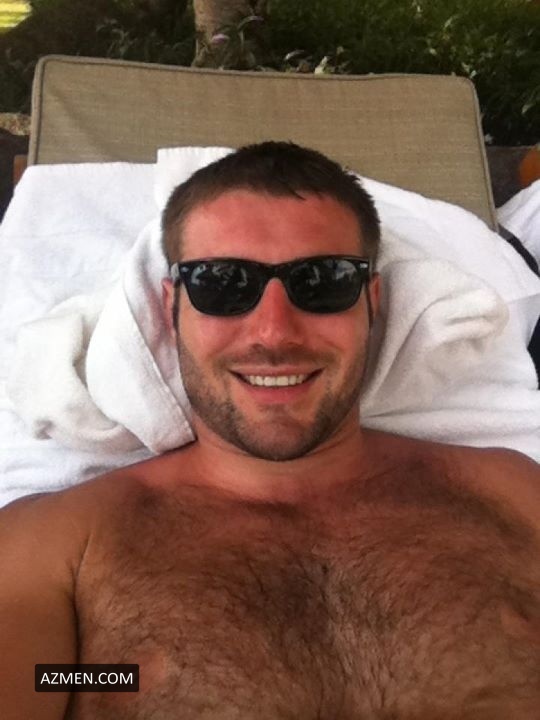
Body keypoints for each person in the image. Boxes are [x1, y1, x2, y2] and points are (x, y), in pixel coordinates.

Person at [1, 141, 539, 720]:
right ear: (171, 308)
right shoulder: (58, 545)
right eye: (222, 283)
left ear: (372, 302)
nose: (274, 333)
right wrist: (119, 675)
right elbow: (40, 679)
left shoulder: (512, 494)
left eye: (323, 281)